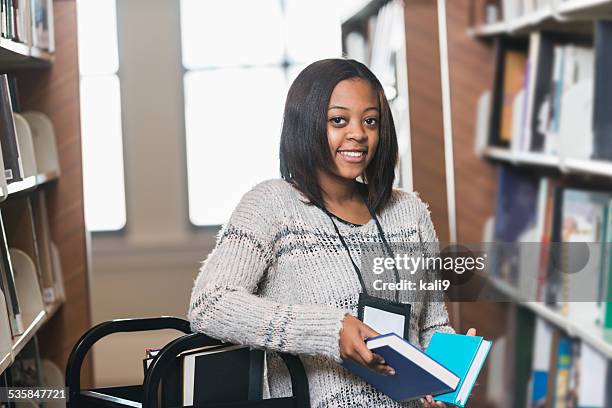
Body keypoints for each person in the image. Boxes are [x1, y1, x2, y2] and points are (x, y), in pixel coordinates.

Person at [188, 58, 475, 408]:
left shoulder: (409, 213)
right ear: (306, 123)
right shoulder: (270, 206)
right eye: (339, 120)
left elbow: (431, 327)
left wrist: (448, 373)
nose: (358, 133)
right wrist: (330, 330)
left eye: (370, 121)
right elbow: (209, 304)